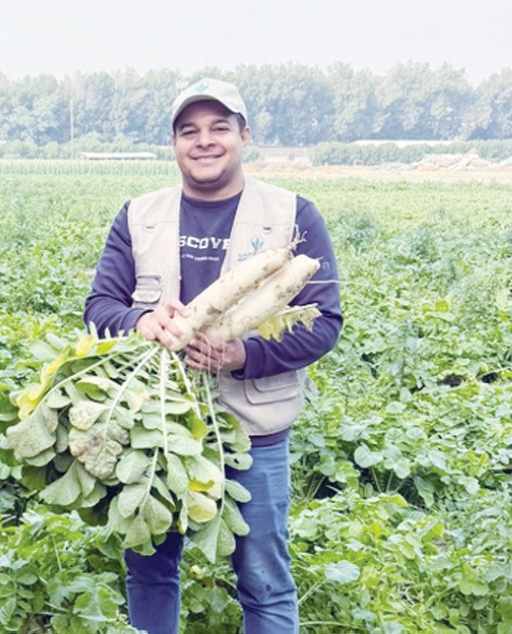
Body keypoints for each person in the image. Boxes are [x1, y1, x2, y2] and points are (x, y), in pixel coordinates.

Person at [83, 78, 342, 633]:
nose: (204, 141)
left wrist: (240, 353)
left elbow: (324, 324)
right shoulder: (138, 216)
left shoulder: (294, 213)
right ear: (174, 144)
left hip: (252, 433)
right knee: (150, 570)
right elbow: (100, 304)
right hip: (155, 426)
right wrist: (140, 320)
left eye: (219, 127)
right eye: (189, 131)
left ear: (244, 135)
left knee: (264, 582)